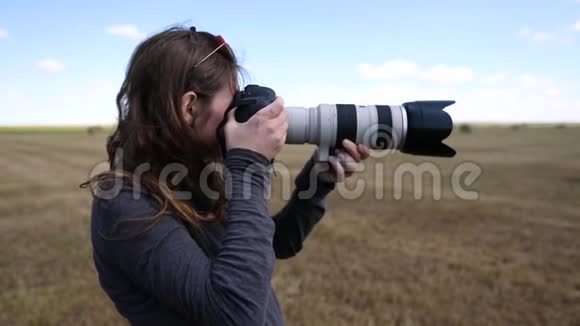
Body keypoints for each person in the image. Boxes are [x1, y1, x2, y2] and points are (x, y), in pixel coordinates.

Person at [83, 25, 370, 326]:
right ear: (189, 107)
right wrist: (249, 165)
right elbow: (236, 313)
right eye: (231, 104)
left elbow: (267, 247)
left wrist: (317, 182)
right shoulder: (124, 206)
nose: (239, 116)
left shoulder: (185, 178)